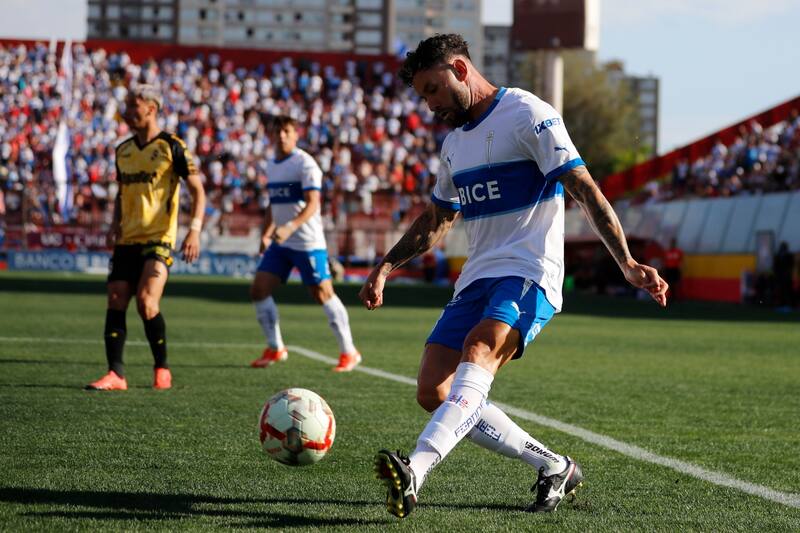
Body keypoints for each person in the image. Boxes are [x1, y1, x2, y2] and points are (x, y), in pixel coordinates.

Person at [358, 34, 668, 518]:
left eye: (433, 89)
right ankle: (555, 466)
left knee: (478, 351)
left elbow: (583, 189)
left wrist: (626, 262)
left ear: (460, 69)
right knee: (433, 391)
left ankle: (415, 470)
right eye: (423, 95)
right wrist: (385, 266)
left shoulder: (527, 113)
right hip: (476, 278)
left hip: (529, 271)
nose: (430, 104)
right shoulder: (454, 144)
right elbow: (437, 219)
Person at [86, 85, 206, 391]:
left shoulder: (172, 146)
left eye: (132, 106)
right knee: (115, 298)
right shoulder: (122, 150)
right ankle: (116, 374)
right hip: (127, 239)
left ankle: (161, 368)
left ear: (151, 108)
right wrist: (114, 223)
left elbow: (197, 190)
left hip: (159, 238)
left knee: (146, 302)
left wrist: (194, 229)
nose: (127, 112)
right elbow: (122, 192)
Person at [249, 116, 361, 372]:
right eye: (277, 131)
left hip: (307, 242)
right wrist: (266, 233)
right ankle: (275, 347)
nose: (281, 136)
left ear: (295, 134)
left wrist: (289, 227)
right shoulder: (272, 164)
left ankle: (349, 351)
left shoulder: (305, 164)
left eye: (286, 131)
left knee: (322, 293)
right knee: (258, 290)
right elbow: (274, 203)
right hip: (281, 243)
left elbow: (313, 204)